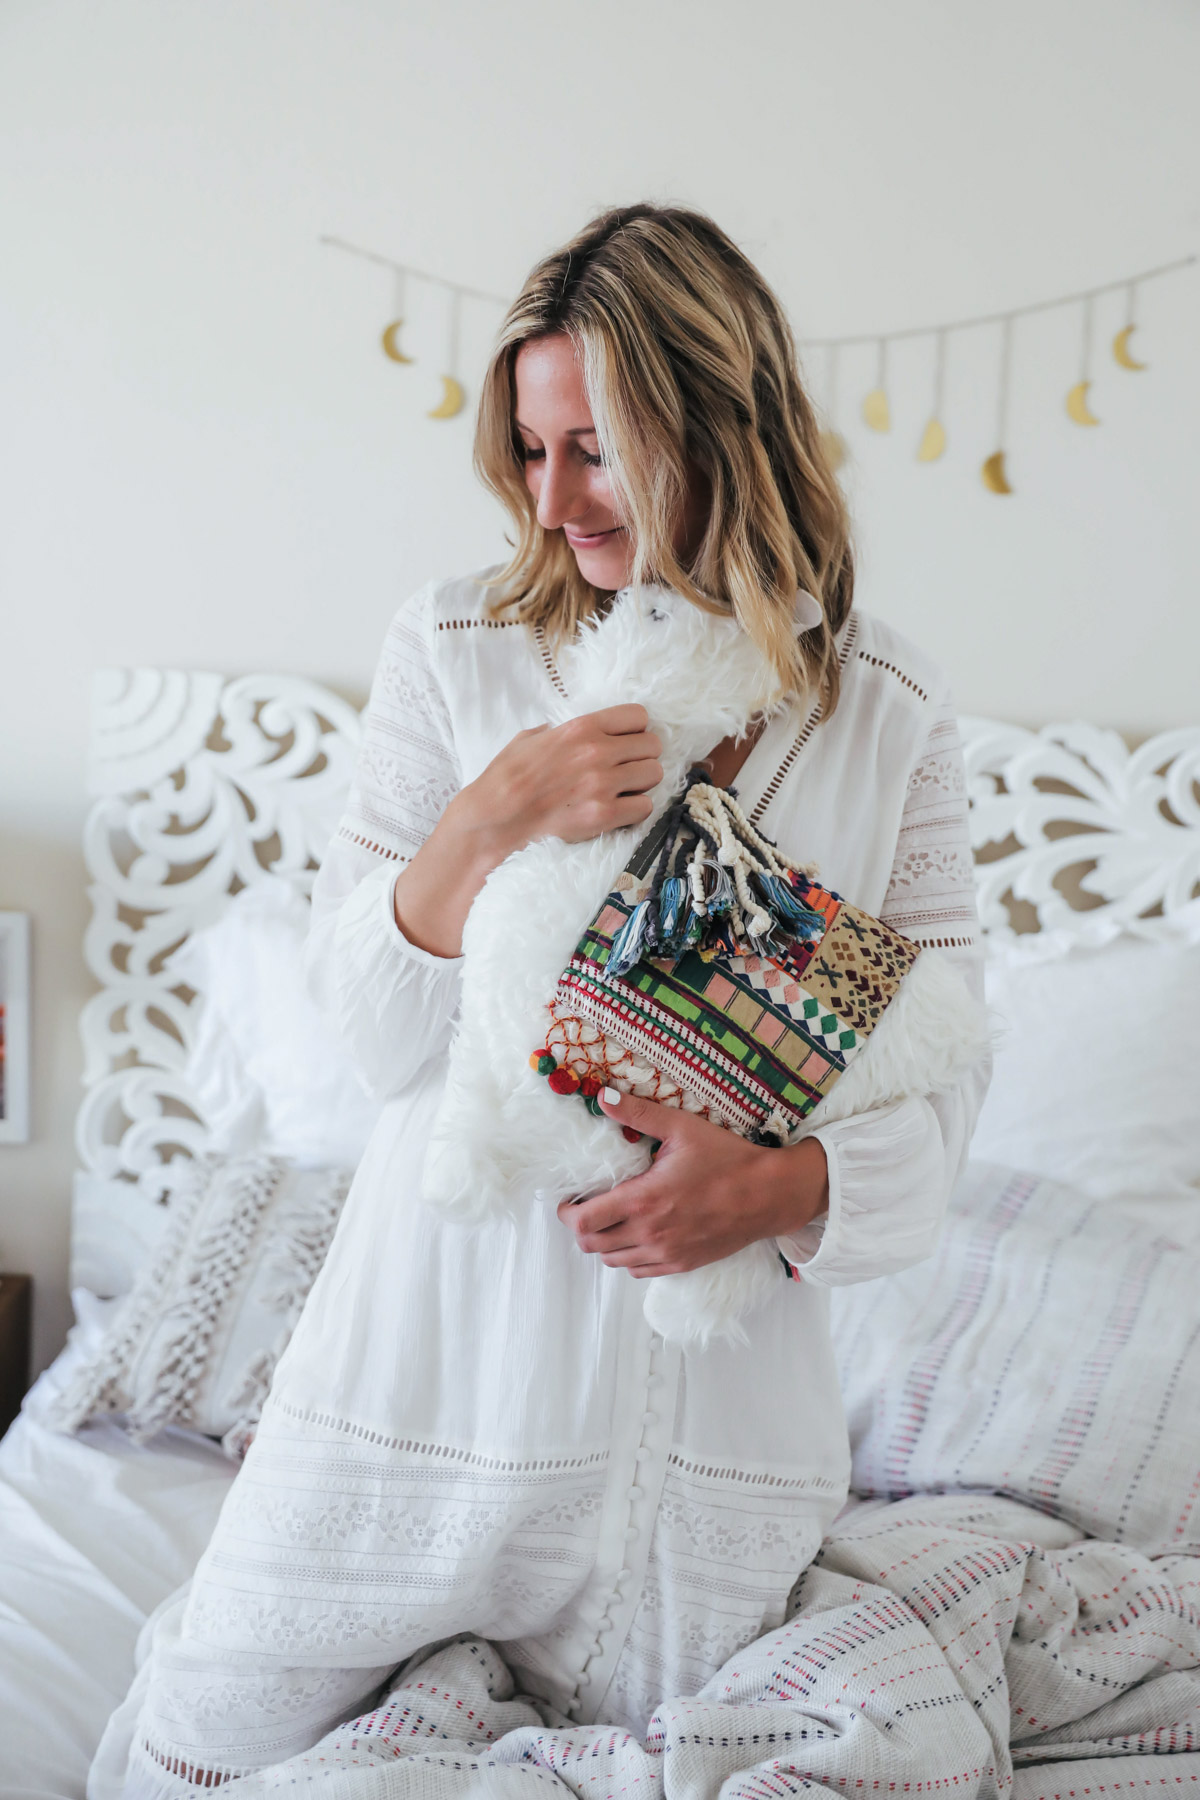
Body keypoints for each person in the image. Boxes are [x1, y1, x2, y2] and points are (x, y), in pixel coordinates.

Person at [100, 202, 990, 1793]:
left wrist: (778, 1189)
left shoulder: (886, 714)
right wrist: (489, 816)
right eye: (530, 450)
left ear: (723, 429)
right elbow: (373, 1041)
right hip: (422, 1390)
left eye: (599, 452)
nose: (554, 499)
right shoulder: (457, 648)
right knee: (189, 1760)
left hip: (718, 1444)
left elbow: (949, 1085)